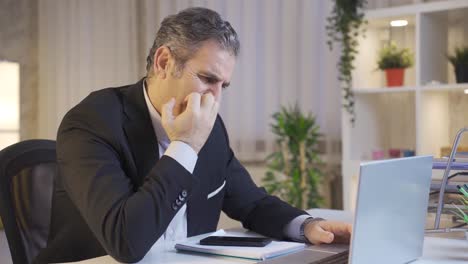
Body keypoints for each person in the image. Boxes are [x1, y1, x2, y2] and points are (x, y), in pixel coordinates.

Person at [35, 7, 351, 263]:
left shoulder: (210, 127)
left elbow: (251, 203)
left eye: (222, 86)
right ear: (163, 62)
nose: (214, 98)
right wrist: (185, 145)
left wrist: (307, 226)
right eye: (206, 79)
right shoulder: (92, 122)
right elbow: (126, 243)